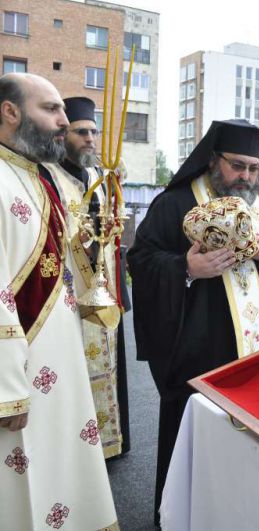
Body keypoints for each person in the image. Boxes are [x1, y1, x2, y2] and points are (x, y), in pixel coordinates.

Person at [128, 119, 259, 524]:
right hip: (202, 353)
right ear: (214, 160)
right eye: (237, 166)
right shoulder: (176, 203)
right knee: (198, 451)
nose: (245, 176)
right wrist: (187, 269)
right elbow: (141, 260)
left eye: (253, 168)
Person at [0, 73, 117, 529]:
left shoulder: (38, 176)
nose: (63, 121)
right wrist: (7, 388)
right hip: (20, 370)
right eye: (51, 109)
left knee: (59, 465)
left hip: (58, 355)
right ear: (10, 112)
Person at [45, 96, 131, 458]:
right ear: (63, 135)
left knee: (107, 365)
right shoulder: (48, 176)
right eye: (81, 132)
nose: (90, 139)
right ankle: (77, 448)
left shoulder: (99, 176)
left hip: (101, 286)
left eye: (94, 132)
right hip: (66, 289)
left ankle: (109, 442)